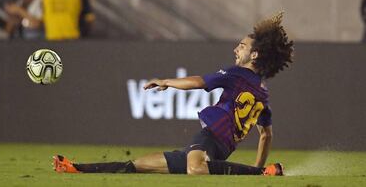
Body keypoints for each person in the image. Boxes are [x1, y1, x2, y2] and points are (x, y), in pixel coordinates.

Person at [53, 12, 294, 176]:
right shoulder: (263, 95)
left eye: (241, 46)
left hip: (209, 138)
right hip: (217, 149)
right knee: (137, 166)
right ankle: (75, 168)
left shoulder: (235, 74)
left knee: (195, 169)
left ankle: (259, 174)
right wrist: (259, 168)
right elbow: (266, 135)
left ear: (254, 55)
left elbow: (199, 82)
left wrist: (167, 81)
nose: (235, 48)